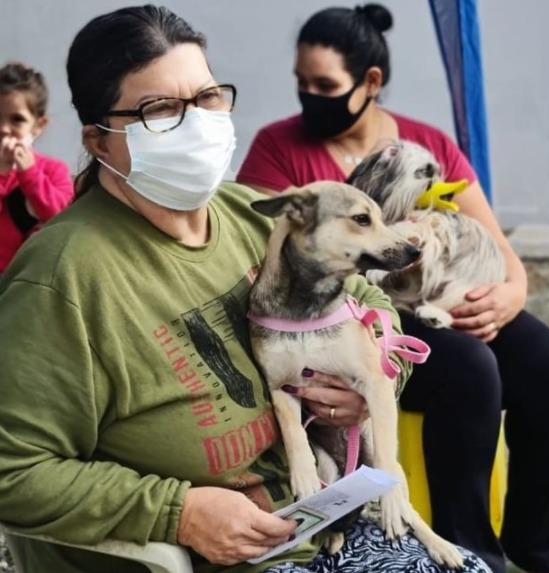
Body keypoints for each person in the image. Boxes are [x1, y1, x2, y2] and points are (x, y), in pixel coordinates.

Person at [0, 5, 492, 573]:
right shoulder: (64, 278)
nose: (196, 123)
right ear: (101, 140)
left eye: (208, 98)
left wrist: (372, 374)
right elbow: (13, 469)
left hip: (327, 524)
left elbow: (369, 294)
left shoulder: (253, 214)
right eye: (160, 109)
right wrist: (177, 513)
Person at [236, 5, 549, 573]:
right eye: (301, 84)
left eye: (324, 85)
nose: (308, 97)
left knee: (548, 362)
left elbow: (495, 241)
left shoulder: (424, 143)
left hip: (445, 297)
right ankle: (469, 551)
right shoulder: (279, 149)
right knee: (468, 369)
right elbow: (262, 256)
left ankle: (546, 547)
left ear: (370, 83)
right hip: (358, 315)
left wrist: (511, 294)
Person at [0, 61, 74, 273]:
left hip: (29, 281)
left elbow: (60, 219)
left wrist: (30, 175)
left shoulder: (52, 170)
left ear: (38, 125)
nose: (4, 129)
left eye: (17, 120)